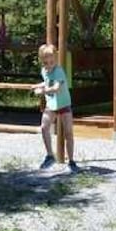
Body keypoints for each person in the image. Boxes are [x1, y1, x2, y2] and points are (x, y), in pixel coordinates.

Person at [32, 43, 78, 173]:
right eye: (46, 63)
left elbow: (56, 88)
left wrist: (42, 91)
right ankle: (50, 155)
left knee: (68, 132)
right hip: (51, 105)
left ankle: (71, 161)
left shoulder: (58, 71)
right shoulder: (44, 71)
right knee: (44, 127)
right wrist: (38, 85)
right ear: (42, 61)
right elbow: (47, 82)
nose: (49, 65)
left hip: (64, 105)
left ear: (55, 59)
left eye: (51, 62)